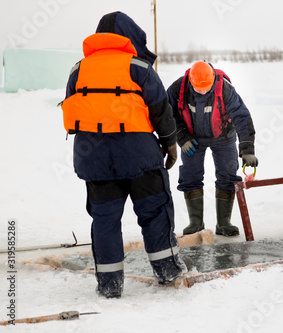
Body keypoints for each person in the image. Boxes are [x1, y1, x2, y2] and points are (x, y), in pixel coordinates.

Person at [61, 12, 186, 298]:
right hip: (140, 158)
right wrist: (169, 143)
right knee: (155, 212)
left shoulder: (78, 70)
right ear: (129, 35)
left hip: (94, 161)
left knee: (105, 220)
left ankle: (109, 285)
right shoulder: (139, 67)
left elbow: (73, 107)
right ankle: (167, 271)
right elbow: (160, 108)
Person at [166, 61, 257, 237]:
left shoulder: (225, 89)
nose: (202, 91)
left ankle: (224, 223)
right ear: (191, 81)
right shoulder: (178, 88)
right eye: (198, 88)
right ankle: (195, 223)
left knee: (228, 174)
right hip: (191, 139)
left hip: (223, 137)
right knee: (190, 175)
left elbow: (242, 117)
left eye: (206, 88)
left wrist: (247, 150)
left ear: (213, 80)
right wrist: (181, 137)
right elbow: (168, 114)